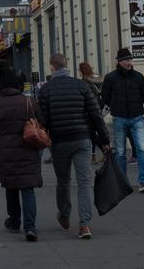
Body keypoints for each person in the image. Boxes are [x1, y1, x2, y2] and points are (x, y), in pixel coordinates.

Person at [38, 54, 111, 240]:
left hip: (60, 141)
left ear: (52, 68)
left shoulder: (45, 90)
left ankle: (64, 215)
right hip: (82, 139)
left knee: (63, 181)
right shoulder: (82, 86)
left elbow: (42, 120)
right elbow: (96, 115)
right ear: (67, 66)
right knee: (84, 181)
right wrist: (105, 141)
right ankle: (85, 224)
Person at [0, 67, 44, 242]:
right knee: (28, 188)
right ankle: (30, 227)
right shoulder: (29, 102)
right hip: (28, 149)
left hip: (6, 150)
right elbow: (41, 121)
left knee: (11, 186)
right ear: (20, 84)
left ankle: (14, 221)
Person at [101, 48, 144, 193]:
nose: (129, 62)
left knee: (141, 150)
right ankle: (122, 183)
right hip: (119, 117)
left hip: (136, 116)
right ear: (119, 61)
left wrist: (136, 104)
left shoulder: (138, 76)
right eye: (126, 60)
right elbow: (105, 96)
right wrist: (115, 106)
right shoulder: (110, 77)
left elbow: (143, 94)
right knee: (120, 152)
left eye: (130, 59)